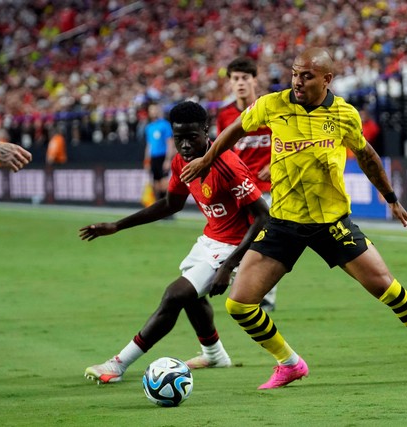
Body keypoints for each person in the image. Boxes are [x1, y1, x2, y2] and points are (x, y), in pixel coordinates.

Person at [181, 47, 407, 389]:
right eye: (295, 73)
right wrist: (208, 159)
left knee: (388, 288)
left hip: (332, 222)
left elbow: (367, 156)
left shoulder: (344, 115)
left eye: (306, 76)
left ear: (327, 79)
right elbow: (237, 127)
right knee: (239, 305)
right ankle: (289, 363)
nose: (297, 81)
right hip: (283, 222)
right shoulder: (273, 104)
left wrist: (391, 198)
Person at [81, 101, 269, 383]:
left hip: (233, 246)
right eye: (178, 138)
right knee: (191, 296)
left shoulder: (227, 164)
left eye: (191, 137)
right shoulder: (181, 160)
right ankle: (214, 354)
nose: (184, 145)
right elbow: (171, 204)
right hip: (210, 240)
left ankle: (118, 364)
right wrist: (117, 226)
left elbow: (262, 217)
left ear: (206, 131)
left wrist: (229, 265)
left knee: (175, 295)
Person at [217, 56, 278, 312]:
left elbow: (285, 142)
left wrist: (274, 165)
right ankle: (242, 289)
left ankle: (265, 297)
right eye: (235, 79)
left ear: (255, 80)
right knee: (236, 241)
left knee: (265, 241)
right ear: (230, 83)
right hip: (238, 189)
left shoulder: (270, 108)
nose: (240, 83)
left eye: (245, 78)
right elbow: (223, 150)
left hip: (267, 189)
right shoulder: (226, 115)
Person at [144, 104, 175, 200]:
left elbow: (170, 142)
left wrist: (168, 159)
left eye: (155, 109)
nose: (153, 111)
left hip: (163, 156)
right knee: (156, 184)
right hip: (154, 157)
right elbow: (149, 145)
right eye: (151, 110)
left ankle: (168, 208)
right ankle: (159, 208)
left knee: (164, 184)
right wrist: (146, 161)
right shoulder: (148, 127)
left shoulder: (165, 124)